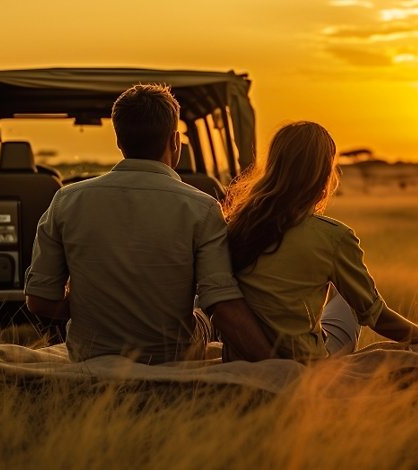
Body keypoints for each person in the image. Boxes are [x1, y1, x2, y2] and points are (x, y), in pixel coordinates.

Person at [25, 84, 273, 364]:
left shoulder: (66, 200)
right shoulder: (202, 208)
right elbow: (221, 304)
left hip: (89, 354)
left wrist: (93, 307)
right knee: (200, 313)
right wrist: (275, 363)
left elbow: (39, 301)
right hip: (173, 354)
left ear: (119, 140)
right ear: (175, 141)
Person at [224, 121, 418, 362]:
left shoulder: (237, 225)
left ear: (274, 165)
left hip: (240, 355)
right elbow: (375, 315)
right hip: (305, 358)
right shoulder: (333, 236)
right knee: (347, 298)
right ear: (323, 172)